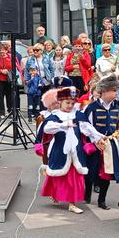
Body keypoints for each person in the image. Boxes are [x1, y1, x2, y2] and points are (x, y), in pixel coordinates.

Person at [37, 86, 87, 214]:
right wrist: (63, 125)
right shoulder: (55, 116)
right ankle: (55, 194)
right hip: (59, 150)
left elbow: (87, 128)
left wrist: (98, 137)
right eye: (67, 103)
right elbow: (47, 129)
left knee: (73, 177)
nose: (70, 105)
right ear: (60, 103)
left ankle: (72, 203)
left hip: (76, 151)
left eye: (72, 103)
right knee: (58, 174)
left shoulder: (78, 115)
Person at [78, 76, 119, 210]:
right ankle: (86, 195)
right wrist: (96, 140)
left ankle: (101, 200)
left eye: (117, 90)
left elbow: (116, 124)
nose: (116, 93)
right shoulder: (92, 107)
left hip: (109, 145)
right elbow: (86, 126)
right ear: (104, 91)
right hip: (95, 145)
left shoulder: (116, 107)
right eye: (114, 90)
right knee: (90, 172)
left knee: (107, 174)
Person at [0, 41, 13, 115]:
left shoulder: (11, 57)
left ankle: (10, 111)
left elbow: (15, 67)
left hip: (8, 79)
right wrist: (1, 70)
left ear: (7, 50)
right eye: (0, 50)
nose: (2, 51)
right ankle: (1, 112)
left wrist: (8, 71)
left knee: (9, 96)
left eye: (3, 50)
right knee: (0, 96)